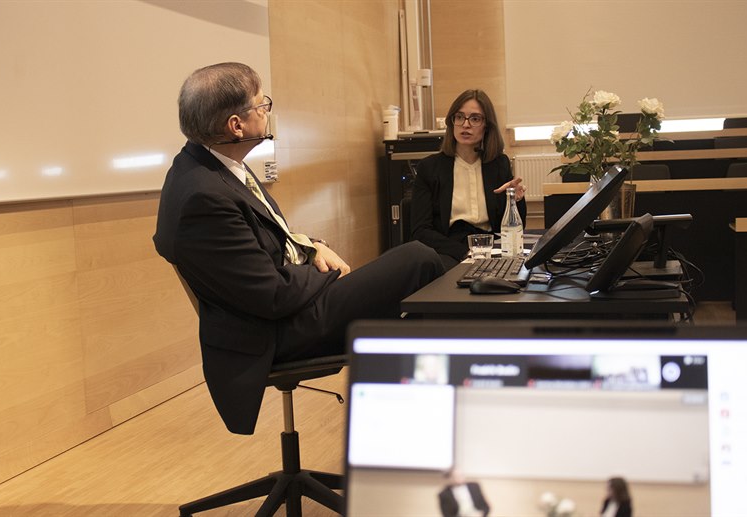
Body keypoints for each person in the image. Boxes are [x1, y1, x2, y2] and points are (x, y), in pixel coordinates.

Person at [153, 62, 443, 435]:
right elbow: (271, 295)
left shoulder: (214, 166)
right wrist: (329, 274)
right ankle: (426, 416)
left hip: (285, 310)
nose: (266, 111)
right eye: (261, 105)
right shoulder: (203, 196)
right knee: (418, 259)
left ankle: (407, 415)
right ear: (236, 126)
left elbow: (267, 238)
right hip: (274, 333)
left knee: (407, 287)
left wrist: (313, 248)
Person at [410, 89, 527, 269]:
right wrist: (464, 253)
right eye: (459, 117)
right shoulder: (429, 168)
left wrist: (516, 200)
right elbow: (420, 231)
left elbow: (515, 227)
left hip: (492, 249)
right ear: (452, 122)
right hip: (449, 250)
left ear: (487, 126)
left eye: (475, 118)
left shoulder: (498, 164)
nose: (465, 125)